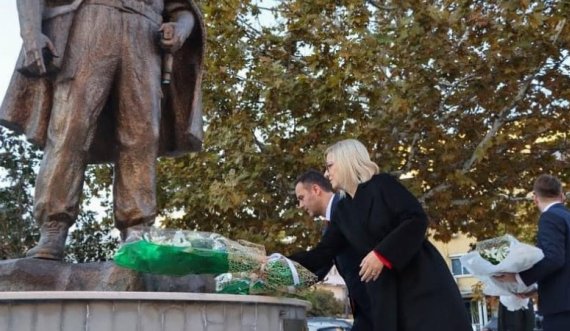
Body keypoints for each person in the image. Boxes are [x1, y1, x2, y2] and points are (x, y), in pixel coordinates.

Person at [0, 0, 205, 260]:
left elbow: (183, 9)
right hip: (90, 21)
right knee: (70, 127)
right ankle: (53, 226)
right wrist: (30, 32)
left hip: (145, 34)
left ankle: (137, 229)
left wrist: (180, 29)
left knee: (143, 134)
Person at [289, 139, 472, 331]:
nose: (326, 173)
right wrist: (276, 265)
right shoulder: (343, 211)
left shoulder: (382, 185)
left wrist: (381, 255)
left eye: (330, 166)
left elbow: (415, 219)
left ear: (347, 161)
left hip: (422, 288)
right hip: (387, 299)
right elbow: (321, 254)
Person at [294, 170, 373, 331]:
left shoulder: (347, 208)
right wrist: (282, 282)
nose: (300, 206)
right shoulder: (331, 225)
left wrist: (277, 263)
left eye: (301, 198)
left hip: (379, 304)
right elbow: (319, 268)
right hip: (366, 309)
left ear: (316, 190)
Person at [494, 174, 570, 331]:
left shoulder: (549, 217)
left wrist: (518, 278)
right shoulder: (566, 217)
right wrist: (536, 289)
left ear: (535, 198)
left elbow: (554, 259)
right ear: (562, 195)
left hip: (561, 308)